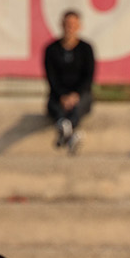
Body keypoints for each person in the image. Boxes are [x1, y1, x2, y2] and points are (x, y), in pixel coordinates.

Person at [43, 10, 94, 154]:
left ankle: (65, 129)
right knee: (54, 105)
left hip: (80, 94)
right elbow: (51, 77)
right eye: (67, 24)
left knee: (79, 105)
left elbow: (88, 77)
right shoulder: (51, 50)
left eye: (73, 25)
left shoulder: (86, 49)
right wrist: (62, 95)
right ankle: (70, 134)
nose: (69, 28)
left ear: (79, 26)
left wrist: (75, 95)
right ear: (61, 25)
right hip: (59, 94)